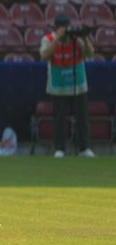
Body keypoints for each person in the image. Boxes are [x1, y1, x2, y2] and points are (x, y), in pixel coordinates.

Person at [40, 14, 96, 158]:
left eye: (67, 26)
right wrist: (58, 39)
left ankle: (84, 148)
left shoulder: (76, 39)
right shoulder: (48, 39)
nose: (66, 30)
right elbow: (45, 56)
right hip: (59, 86)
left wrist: (84, 38)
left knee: (82, 117)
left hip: (78, 84)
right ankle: (60, 148)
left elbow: (90, 55)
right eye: (63, 27)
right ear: (57, 28)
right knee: (59, 118)